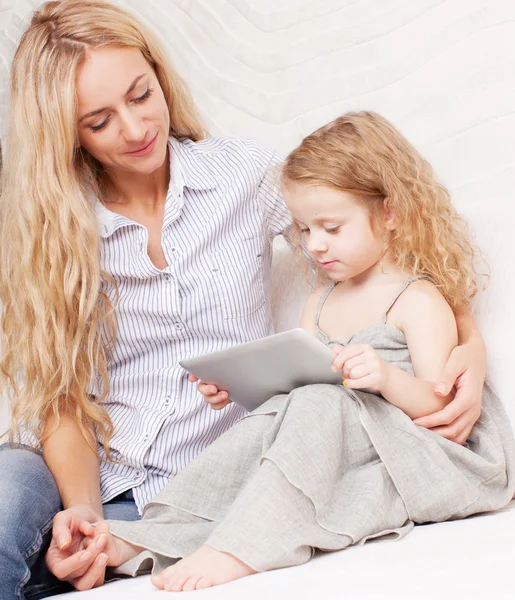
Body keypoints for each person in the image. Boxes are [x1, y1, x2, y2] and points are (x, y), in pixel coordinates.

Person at [0, 0, 487, 595]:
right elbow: (60, 397)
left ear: (160, 76)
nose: (134, 129)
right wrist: (86, 516)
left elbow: (374, 238)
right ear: (64, 134)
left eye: (140, 94)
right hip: (75, 473)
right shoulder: (55, 228)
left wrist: (470, 337)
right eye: (98, 122)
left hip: (198, 479)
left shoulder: (244, 175)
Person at [64, 111, 515, 592]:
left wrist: (385, 378)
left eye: (332, 228)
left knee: (324, 402)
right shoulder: (320, 303)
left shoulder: (415, 299)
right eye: (304, 229)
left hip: (408, 451)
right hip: (334, 447)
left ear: (390, 212)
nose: (315, 245)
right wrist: (239, 389)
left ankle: (244, 546)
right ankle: (150, 537)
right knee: (265, 426)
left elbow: (441, 411)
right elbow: (293, 413)